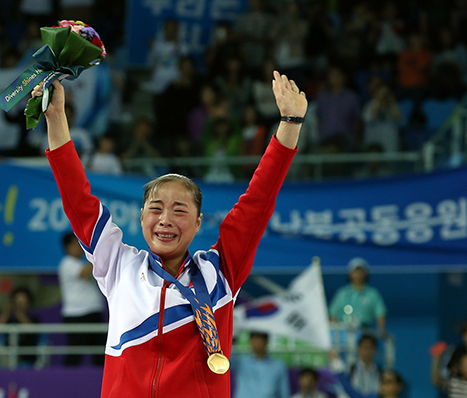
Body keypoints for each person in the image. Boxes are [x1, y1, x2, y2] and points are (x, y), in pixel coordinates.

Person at [33, 67, 306, 396]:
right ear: (141, 217)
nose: (165, 219)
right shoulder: (119, 266)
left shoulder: (220, 271)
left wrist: (290, 124)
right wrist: (56, 117)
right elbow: (78, 198)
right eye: (156, 208)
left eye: (179, 210)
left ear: (198, 223)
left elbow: (257, 202)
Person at [58, 232, 106, 366]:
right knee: (75, 353)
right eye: (76, 244)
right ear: (67, 247)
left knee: (100, 353)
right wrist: (97, 254)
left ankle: (101, 382)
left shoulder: (81, 263)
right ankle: (67, 383)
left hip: (92, 313)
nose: (80, 247)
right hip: (77, 314)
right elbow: (83, 273)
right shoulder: (67, 263)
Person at [329, 258, 387, 333]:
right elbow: (333, 314)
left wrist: (381, 331)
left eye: (361, 272)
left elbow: (380, 314)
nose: (358, 275)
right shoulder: (342, 293)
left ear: (365, 274)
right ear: (350, 274)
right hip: (344, 332)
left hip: (365, 332)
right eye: (355, 272)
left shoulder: (372, 293)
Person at [233, 331, 290, 398]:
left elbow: (284, 392)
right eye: (253, 339)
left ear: (266, 341)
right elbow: (226, 359)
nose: (256, 343)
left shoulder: (278, 365)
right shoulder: (241, 362)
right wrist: (233, 336)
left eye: (258, 339)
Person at [0, 287, 40, 366]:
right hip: (7, 353)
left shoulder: (34, 319)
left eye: (22, 301)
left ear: (28, 302)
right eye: (17, 300)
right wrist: (6, 311)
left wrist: (19, 312)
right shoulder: (10, 320)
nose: (19, 303)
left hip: (25, 354)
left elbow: (30, 329)